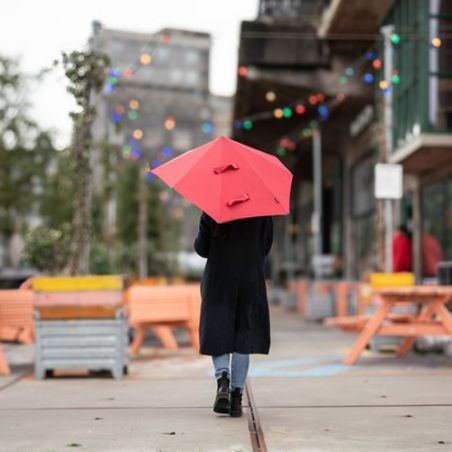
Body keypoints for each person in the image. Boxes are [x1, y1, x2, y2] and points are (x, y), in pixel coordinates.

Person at [194, 212, 273, 417]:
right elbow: (266, 247)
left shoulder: (213, 209)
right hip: (250, 279)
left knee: (217, 330)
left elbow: (202, 249)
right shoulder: (261, 211)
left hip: (218, 280)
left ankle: (222, 382)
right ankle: (236, 398)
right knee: (244, 337)